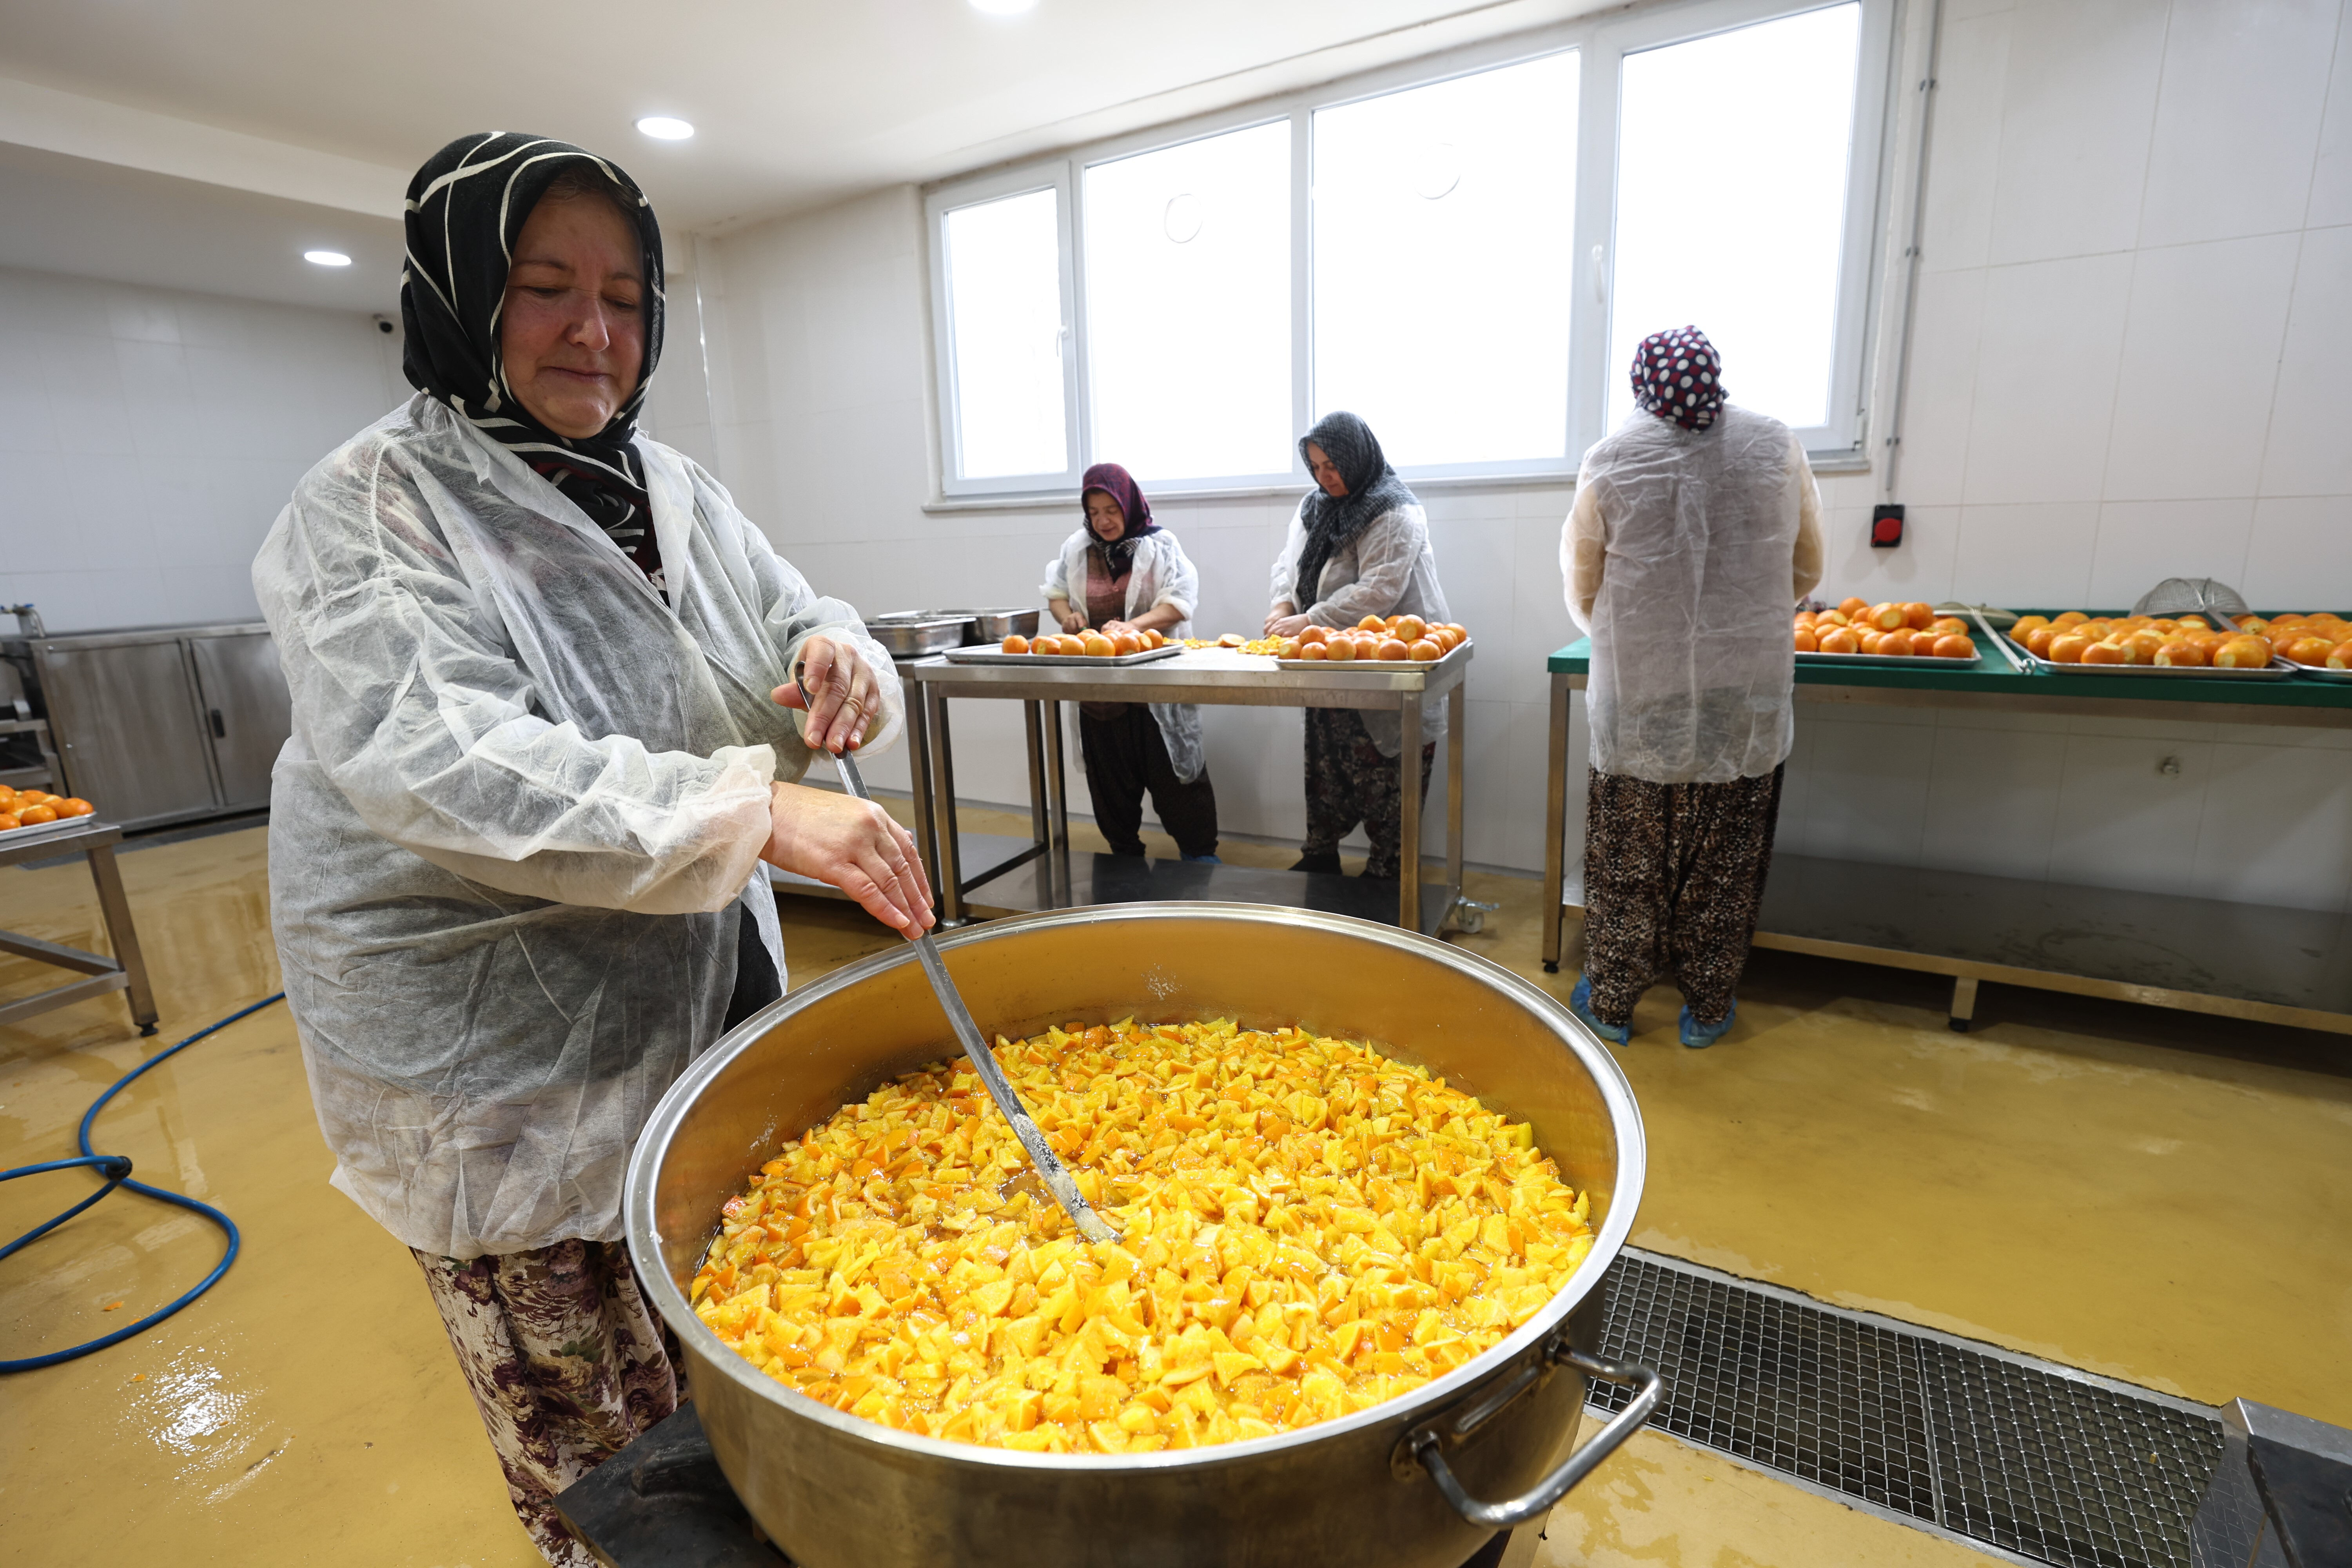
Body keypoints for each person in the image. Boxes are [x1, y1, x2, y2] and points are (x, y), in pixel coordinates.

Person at [252, 132, 932, 1568]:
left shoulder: (664, 486)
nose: (594, 331)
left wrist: (839, 652)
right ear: (459, 297)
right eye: (546, 286)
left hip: (682, 1004)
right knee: (605, 1452)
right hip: (494, 1054)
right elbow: (448, 763)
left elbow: (796, 609)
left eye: (625, 295)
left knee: (732, 1356)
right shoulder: (368, 516)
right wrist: (758, 812)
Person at [1559, 326, 1822, 1050]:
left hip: (1640, 697)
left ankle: (1611, 1002)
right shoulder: (1774, 446)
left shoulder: (1612, 459)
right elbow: (1807, 567)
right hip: (1747, 698)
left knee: (1629, 855)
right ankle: (1708, 1006)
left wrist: (1633, 640)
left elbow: (1585, 587)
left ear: (1643, 383)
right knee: (1726, 858)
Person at [1264, 412, 1450, 880]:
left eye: (1333, 465)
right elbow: (1287, 565)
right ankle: (1321, 854)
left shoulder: (1393, 509)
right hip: (1330, 661)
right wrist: (1283, 604)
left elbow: (1378, 591)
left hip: (1389, 659)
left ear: (1357, 456)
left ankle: (1387, 873)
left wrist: (1310, 618)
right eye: (1316, 466)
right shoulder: (1314, 507)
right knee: (1328, 761)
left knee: (1390, 771)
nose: (1325, 477)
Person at [1042, 462, 1220, 861]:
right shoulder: (1077, 549)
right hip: (1101, 692)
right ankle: (1125, 860)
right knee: (1110, 784)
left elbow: (1179, 602)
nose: (1103, 520)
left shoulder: (1160, 545)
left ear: (1129, 504)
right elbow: (1054, 591)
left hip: (1154, 690)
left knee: (1175, 780)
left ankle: (1201, 858)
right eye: (1094, 512)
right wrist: (1066, 616)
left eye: (1112, 510)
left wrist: (1132, 627)